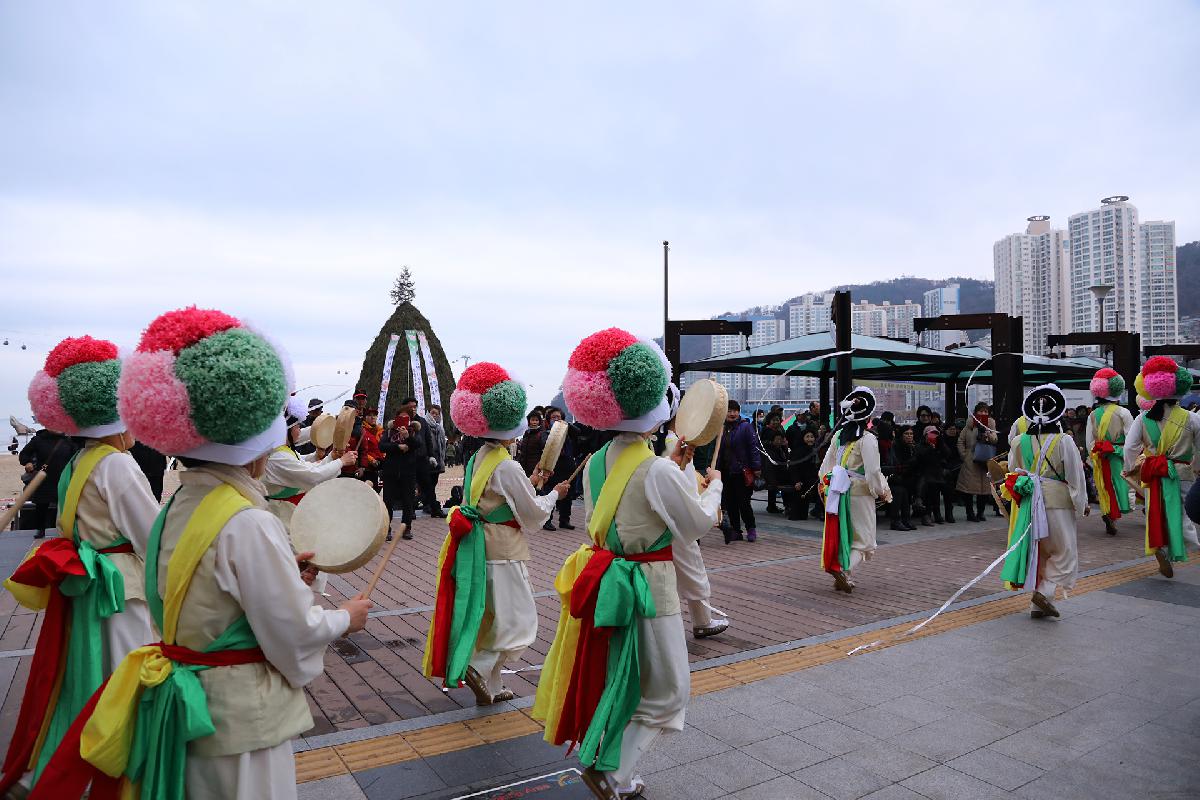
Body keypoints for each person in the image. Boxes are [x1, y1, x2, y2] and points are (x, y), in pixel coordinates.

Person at [30, 307, 373, 800]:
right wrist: (345, 617)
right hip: (238, 714)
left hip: (184, 702)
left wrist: (278, 574)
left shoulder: (179, 504)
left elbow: (192, 582)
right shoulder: (249, 521)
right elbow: (293, 633)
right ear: (255, 440)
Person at [533, 329, 722, 800]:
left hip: (607, 581)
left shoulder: (599, 459)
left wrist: (676, 465)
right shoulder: (657, 468)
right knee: (666, 693)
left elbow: (627, 506)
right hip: (649, 586)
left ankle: (608, 762)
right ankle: (611, 772)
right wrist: (711, 484)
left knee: (623, 676)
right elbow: (695, 524)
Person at [1, 336, 158, 796]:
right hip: (120, 590)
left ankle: (54, 766)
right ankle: (110, 769)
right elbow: (152, 538)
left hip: (87, 586)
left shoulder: (78, 460)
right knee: (120, 684)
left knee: (78, 680)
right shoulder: (119, 465)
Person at [424, 363, 568, 706]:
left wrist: (531, 485)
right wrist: (554, 494)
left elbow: (496, 501)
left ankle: (493, 684)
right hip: (503, 551)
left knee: (492, 617)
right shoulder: (507, 464)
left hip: (477, 548)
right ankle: (480, 665)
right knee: (518, 621)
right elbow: (531, 515)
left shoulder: (479, 458)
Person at [999, 385, 1087, 619]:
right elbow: (1075, 476)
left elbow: (1012, 469)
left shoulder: (1018, 441)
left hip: (1029, 504)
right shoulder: (1064, 441)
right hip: (1057, 501)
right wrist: (1082, 503)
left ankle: (1038, 605)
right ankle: (1045, 592)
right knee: (1064, 552)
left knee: (1039, 552)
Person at [264, 398, 356, 594]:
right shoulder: (278, 456)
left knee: (301, 566)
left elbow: (306, 467)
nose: (300, 429)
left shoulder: (283, 451)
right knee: (292, 570)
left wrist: (331, 457)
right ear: (287, 429)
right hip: (283, 520)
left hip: (292, 516)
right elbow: (312, 476)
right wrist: (342, 462)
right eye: (297, 425)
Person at [1124, 357, 1200, 578]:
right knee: (1183, 513)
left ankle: (1161, 548)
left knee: (1156, 512)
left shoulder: (1143, 418)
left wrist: (1130, 468)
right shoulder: (1192, 418)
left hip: (1153, 473)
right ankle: (1185, 547)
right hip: (1182, 472)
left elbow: (1130, 447)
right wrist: (1196, 469)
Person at [818, 387, 891, 594]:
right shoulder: (867, 439)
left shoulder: (839, 434)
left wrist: (825, 485)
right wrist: (881, 491)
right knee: (864, 540)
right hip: (859, 493)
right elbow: (873, 471)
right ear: (869, 414)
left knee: (845, 535)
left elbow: (826, 466)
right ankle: (843, 569)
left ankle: (844, 576)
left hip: (837, 492)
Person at [1085, 368, 1134, 536]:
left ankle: (1107, 514)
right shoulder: (1123, 412)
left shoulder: (1093, 414)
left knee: (1103, 486)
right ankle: (1115, 514)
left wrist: (1093, 456)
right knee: (1120, 485)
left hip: (1100, 455)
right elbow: (1131, 439)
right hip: (1117, 454)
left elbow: (1089, 440)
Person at [16, 426, 77, 538]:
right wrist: (28, 462)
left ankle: (67, 530)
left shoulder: (69, 440)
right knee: (41, 506)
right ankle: (40, 529)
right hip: (44, 480)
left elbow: (78, 456)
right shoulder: (38, 439)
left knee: (65, 507)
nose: (57, 426)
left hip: (64, 479)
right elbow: (23, 455)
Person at [717, 400, 761, 543]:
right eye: (729, 411)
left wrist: (756, 467)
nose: (732, 413)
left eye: (735, 411)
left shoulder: (745, 427)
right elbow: (717, 452)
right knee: (730, 503)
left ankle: (751, 529)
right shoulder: (721, 429)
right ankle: (736, 531)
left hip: (741, 472)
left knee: (744, 503)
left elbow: (753, 448)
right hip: (726, 471)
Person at [399, 397, 446, 518]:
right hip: (407, 459)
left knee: (428, 486)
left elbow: (428, 440)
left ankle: (435, 509)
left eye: (415, 406)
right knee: (409, 487)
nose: (413, 409)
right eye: (410, 406)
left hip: (422, 459)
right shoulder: (400, 421)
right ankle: (410, 511)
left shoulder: (422, 421)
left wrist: (431, 455)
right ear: (404, 407)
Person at [536, 407, 580, 531]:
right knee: (550, 493)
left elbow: (578, 432)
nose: (556, 420)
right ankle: (547, 521)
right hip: (552, 466)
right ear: (548, 420)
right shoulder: (546, 433)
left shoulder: (568, 432)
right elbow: (545, 443)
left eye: (558, 417)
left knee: (567, 493)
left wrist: (566, 425)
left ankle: (564, 520)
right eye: (553, 418)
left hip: (567, 465)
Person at [957, 401, 999, 522]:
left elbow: (995, 440)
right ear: (975, 412)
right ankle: (970, 513)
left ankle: (980, 513)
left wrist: (988, 434)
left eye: (985, 411)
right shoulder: (969, 424)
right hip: (971, 460)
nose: (983, 413)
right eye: (980, 411)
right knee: (968, 489)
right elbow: (960, 441)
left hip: (985, 460)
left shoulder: (990, 424)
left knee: (984, 490)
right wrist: (965, 456)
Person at [884, 426, 918, 531]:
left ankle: (906, 519)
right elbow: (898, 464)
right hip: (895, 476)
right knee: (900, 490)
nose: (909, 436)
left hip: (907, 476)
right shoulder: (896, 446)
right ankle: (895, 521)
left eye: (911, 434)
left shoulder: (913, 446)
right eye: (906, 434)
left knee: (906, 489)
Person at [784, 428, 820, 520]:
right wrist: (797, 481)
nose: (810, 439)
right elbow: (794, 467)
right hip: (798, 479)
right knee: (798, 498)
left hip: (808, 479)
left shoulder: (812, 450)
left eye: (812, 437)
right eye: (807, 437)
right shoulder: (798, 451)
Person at [914, 425, 947, 525]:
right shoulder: (920, 445)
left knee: (936, 490)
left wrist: (941, 443)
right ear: (925, 435)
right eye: (931, 434)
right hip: (923, 472)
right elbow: (921, 457)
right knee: (929, 489)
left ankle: (937, 513)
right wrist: (929, 448)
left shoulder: (939, 445)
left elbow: (947, 454)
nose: (933, 436)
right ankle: (926, 514)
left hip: (936, 473)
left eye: (935, 434)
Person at [937, 422, 963, 523]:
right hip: (943, 469)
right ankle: (939, 514)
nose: (953, 431)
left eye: (954, 429)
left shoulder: (959, 441)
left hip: (955, 468)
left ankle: (949, 514)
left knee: (949, 493)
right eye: (950, 429)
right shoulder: (941, 440)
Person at [517, 409, 545, 476]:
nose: (534, 422)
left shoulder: (542, 434)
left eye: (536, 420)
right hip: (523, 466)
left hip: (535, 468)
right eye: (532, 420)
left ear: (539, 421)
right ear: (529, 421)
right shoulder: (526, 433)